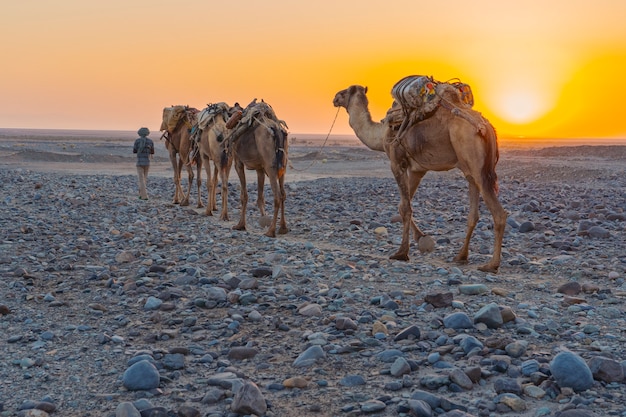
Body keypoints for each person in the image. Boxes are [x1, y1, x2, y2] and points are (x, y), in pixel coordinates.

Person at [133, 127, 154, 200]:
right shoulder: (150, 141)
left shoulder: (137, 141)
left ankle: (144, 196)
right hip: (147, 163)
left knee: (141, 180)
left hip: (139, 163)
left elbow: (134, 151)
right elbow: (152, 152)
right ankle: (140, 194)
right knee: (144, 179)